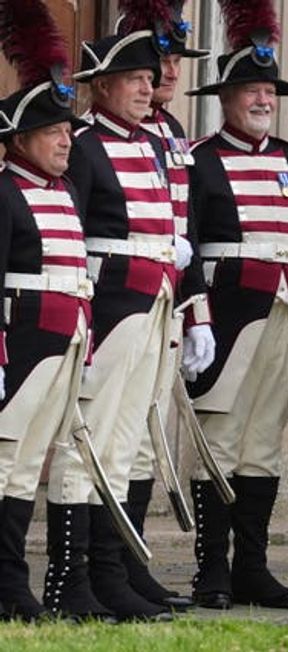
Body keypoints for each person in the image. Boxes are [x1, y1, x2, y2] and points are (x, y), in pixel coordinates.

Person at [45, 24, 200, 622]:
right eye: (133, 79)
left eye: (148, 77)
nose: (147, 87)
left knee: (124, 445)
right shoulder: (82, 144)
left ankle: (108, 573)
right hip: (109, 309)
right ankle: (69, 577)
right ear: (102, 85)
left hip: (154, 305)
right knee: (87, 444)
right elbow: (70, 231)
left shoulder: (151, 143)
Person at [184, 0, 288, 611]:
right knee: (218, 440)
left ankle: (253, 566)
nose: (262, 99)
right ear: (226, 96)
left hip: (281, 317)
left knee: (264, 443)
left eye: (269, 89)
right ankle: (210, 571)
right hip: (225, 318)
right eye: (251, 89)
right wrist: (196, 321)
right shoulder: (199, 159)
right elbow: (186, 244)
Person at [115, 0, 212, 612]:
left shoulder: (173, 133)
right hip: (124, 302)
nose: (169, 72)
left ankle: (132, 563)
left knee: (148, 441)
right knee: (117, 438)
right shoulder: (106, 135)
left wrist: (196, 309)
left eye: (174, 61)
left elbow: (187, 227)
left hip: (168, 302)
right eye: (158, 61)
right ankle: (107, 569)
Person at [0, 0, 92, 621]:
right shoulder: (5, 192)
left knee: (29, 466)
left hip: (64, 344)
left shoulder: (61, 192)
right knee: (6, 464)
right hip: (23, 344)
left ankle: (13, 583)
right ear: (21, 139)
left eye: (67, 131)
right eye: (54, 132)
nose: (66, 140)